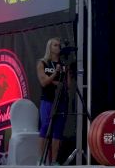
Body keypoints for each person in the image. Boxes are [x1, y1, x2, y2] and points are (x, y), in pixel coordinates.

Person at [36, 37, 69, 165]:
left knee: (58, 131)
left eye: (59, 45)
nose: (58, 47)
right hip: (48, 100)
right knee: (45, 127)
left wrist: (66, 75)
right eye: (55, 45)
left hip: (61, 100)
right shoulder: (42, 63)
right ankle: (40, 159)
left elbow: (67, 85)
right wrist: (55, 74)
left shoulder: (63, 64)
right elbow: (44, 82)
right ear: (49, 47)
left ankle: (54, 160)